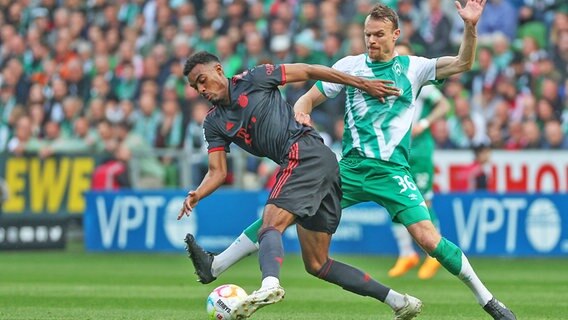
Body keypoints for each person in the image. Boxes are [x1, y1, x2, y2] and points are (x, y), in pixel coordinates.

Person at [184, 2, 517, 319]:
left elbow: (463, 62)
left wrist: (470, 27)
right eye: (367, 34)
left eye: (378, 34)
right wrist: (302, 113)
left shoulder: (414, 68)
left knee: (429, 239)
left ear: (395, 35)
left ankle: (489, 302)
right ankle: (217, 265)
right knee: (288, 223)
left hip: (392, 172)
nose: (371, 40)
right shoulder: (350, 66)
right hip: (349, 170)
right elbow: (308, 97)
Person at [177, 51, 423, 320]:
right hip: (320, 165)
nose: (200, 89)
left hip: (303, 153)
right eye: (194, 86)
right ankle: (399, 301)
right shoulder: (213, 123)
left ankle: (269, 284)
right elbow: (217, 171)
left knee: (270, 224)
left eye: (202, 80)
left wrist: (361, 83)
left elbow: (307, 70)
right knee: (317, 263)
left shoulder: (255, 77)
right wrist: (197, 193)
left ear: (219, 71)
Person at [387, 43, 450, 280]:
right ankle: (406, 254)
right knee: (392, 197)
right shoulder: (388, 82)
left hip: (419, 149)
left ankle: (434, 255)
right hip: (395, 149)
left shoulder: (419, 83)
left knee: (424, 201)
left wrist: (424, 124)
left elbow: (445, 105)